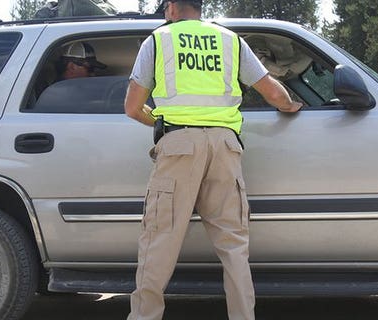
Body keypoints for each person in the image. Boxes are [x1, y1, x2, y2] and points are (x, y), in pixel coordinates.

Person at [124, 1, 302, 319]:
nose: (165, 12)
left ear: (176, 7)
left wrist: (163, 123)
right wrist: (290, 106)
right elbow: (274, 94)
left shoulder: (158, 39)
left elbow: (132, 107)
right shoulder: (230, 40)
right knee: (234, 248)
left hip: (178, 147)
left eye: (166, 6)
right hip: (225, 148)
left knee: (158, 245)